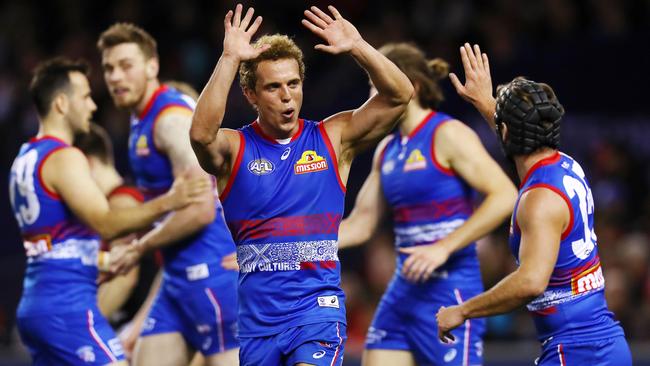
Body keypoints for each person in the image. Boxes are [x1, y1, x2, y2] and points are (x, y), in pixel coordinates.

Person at [189, 4, 413, 366]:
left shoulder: (333, 138)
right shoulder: (235, 149)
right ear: (251, 95)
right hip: (258, 325)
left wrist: (358, 46)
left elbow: (400, 95)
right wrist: (230, 58)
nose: (287, 95)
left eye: (293, 84)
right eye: (273, 87)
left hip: (316, 313)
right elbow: (201, 135)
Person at [436, 43, 632, 365]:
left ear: (506, 131)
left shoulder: (539, 200)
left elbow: (530, 281)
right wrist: (487, 104)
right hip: (602, 344)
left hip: (578, 352)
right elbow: (519, 145)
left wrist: (462, 311)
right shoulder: (565, 165)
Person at [8, 57, 207, 366]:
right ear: (61, 103)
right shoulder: (65, 156)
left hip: (35, 300)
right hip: (68, 305)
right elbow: (106, 223)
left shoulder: (24, 157)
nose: (92, 106)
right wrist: (170, 200)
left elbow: (54, 241)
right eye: (85, 97)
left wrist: (102, 259)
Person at [337, 42, 518, 366]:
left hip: (449, 291)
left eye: (377, 89)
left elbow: (505, 195)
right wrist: (294, 246)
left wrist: (443, 247)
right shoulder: (387, 150)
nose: (371, 102)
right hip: (402, 293)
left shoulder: (446, 133)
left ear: (412, 86)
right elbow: (360, 224)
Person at [97, 23, 240, 366]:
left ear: (152, 66)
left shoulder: (170, 120)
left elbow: (202, 209)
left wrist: (138, 248)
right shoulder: (139, 120)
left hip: (212, 277)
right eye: (109, 68)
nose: (116, 77)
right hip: (176, 281)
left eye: (126, 65)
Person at [74, 123, 145, 318]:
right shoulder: (109, 205)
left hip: (137, 321)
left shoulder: (121, 203)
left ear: (86, 164)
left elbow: (125, 277)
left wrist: (87, 327)